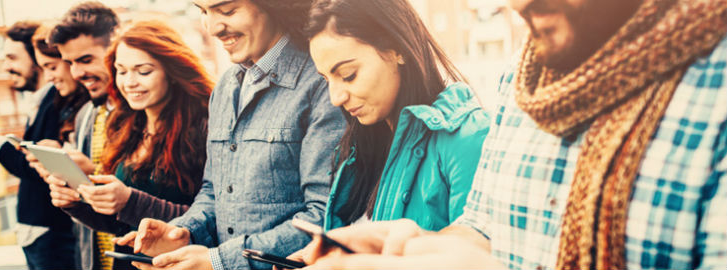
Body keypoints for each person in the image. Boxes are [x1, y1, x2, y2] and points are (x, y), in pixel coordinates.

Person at [296, 0, 727, 269]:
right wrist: (410, 245)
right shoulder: (516, 84)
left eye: (347, 72)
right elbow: (484, 231)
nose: (517, 4)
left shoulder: (714, 91)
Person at [114, 0, 346, 269]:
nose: (213, 28)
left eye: (227, 10)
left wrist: (219, 261)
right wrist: (181, 232)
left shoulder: (322, 83)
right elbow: (214, 192)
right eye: (203, 11)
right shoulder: (226, 86)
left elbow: (324, 217)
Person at [303, 0, 489, 233]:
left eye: (348, 75)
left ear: (397, 50)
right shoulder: (356, 149)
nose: (335, 98)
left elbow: (475, 257)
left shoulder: (469, 139)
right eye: (326, 80)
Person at [46, 19, 213, 270]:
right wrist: (77, 203)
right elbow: (123, 224)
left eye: (143, 71)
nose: (129, 82)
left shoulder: (206, 127)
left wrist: (129, 201)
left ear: (173, 71)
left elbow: (214, 220)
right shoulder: (124, 124)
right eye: (121, 71)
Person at [0, 21, 81, 270]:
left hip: (52, 234)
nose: (7, 66)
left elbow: (46, 170)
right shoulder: (42, 101)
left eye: (12, 58)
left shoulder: (58, 102)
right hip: (40, 234)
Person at [42, 2, 121, 270]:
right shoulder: (87, 113)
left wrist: (94, 171)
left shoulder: (147, 111)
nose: (77, 73)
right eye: (70, 63)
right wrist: (71, 193)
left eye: (86, 60)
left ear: (116, 48)